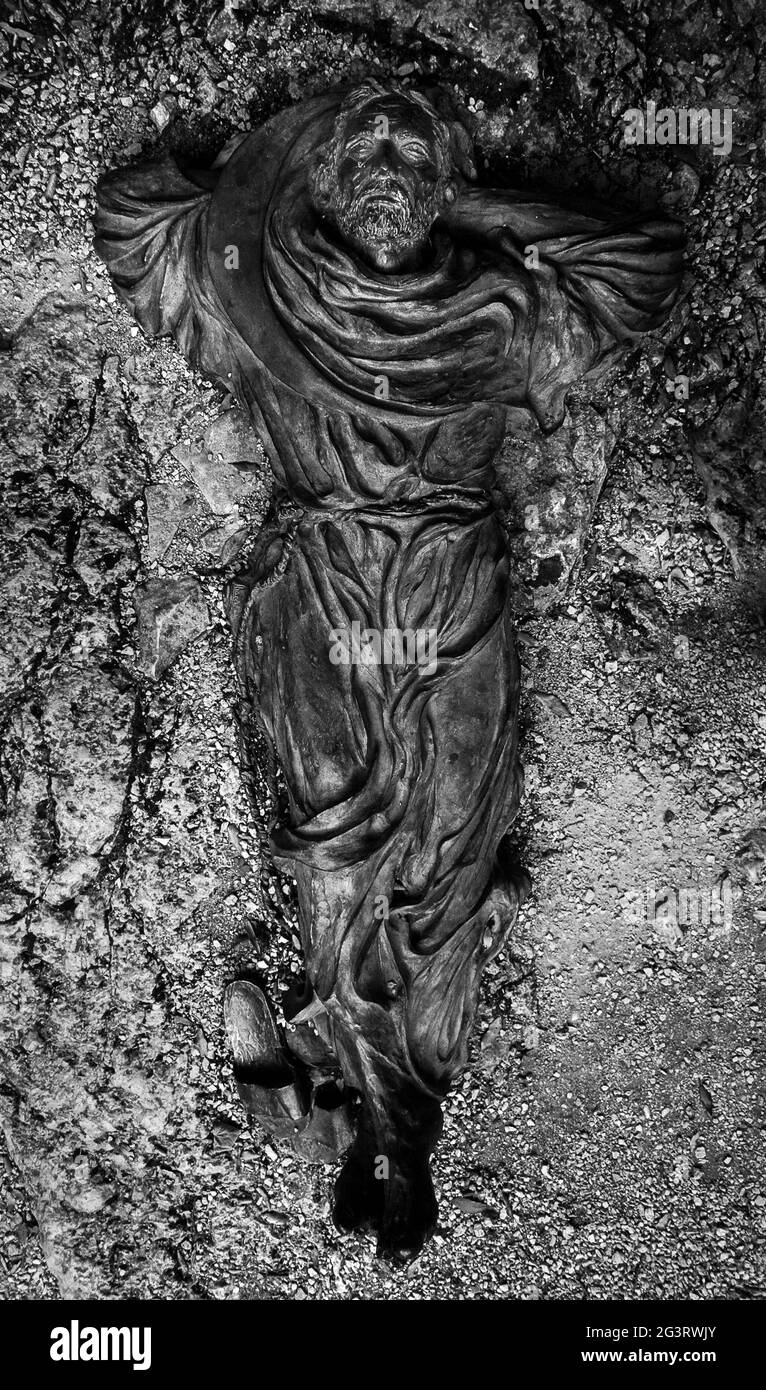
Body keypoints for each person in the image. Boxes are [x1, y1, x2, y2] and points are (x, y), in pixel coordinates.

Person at [94, 79, 683, 1260]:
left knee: (450, 853)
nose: (385, 160)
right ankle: (378, 1119)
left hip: (450, 598)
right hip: (328, 590)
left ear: (444, 170)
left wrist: (488, 205)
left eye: (412, 146)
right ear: (321, 164)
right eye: (359, 141)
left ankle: (380, 1118)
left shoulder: (499, 307)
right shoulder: (270, 297)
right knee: (340, 847)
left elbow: (645, 262)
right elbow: (130, 219)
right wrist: (260, 177)